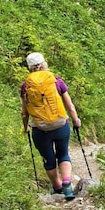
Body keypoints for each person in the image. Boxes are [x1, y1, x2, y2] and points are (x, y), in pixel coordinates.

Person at [21, 52, 82, 200]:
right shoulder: (56, 81)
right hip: (61, 125)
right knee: (63, 154)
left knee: (49, 159)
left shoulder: (26, 86)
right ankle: (67, 183)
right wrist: (75, 120)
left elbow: (24, 113)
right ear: (43, 64)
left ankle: (57, 187)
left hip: (40, 129)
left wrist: (25, 127)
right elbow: (70, 106)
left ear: (30, 68)